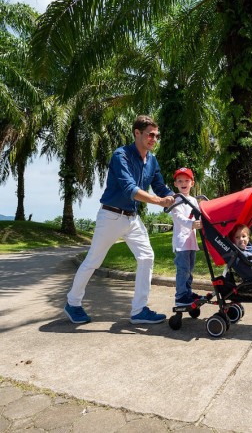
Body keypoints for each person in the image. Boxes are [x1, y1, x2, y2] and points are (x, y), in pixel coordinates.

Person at [64, 115, 175, 325]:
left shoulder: (152, 160)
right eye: (150, 134)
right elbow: (129, 189)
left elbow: (160, 186)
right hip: (111, 216)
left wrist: (175, 198)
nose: (154, 139)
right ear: (137, 133)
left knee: (147, 257)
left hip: (132, 218)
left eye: (157, 135)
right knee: (93, 261)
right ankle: (73, 303)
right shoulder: (121, 155)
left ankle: (139, 310)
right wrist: (159, 201)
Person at [170, 167, 203, 306]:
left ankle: (188, 292)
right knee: (183, 270)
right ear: (176, 184)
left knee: (189, 270)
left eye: (186, 180)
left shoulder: (194, 201)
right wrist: (192, 224)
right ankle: (181, 296)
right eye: (180, 181)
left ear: (192, 183)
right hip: (181, 242)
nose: (183, 183)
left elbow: (199, 214)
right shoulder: (175, 200)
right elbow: (179, 218)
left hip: (191, 242)